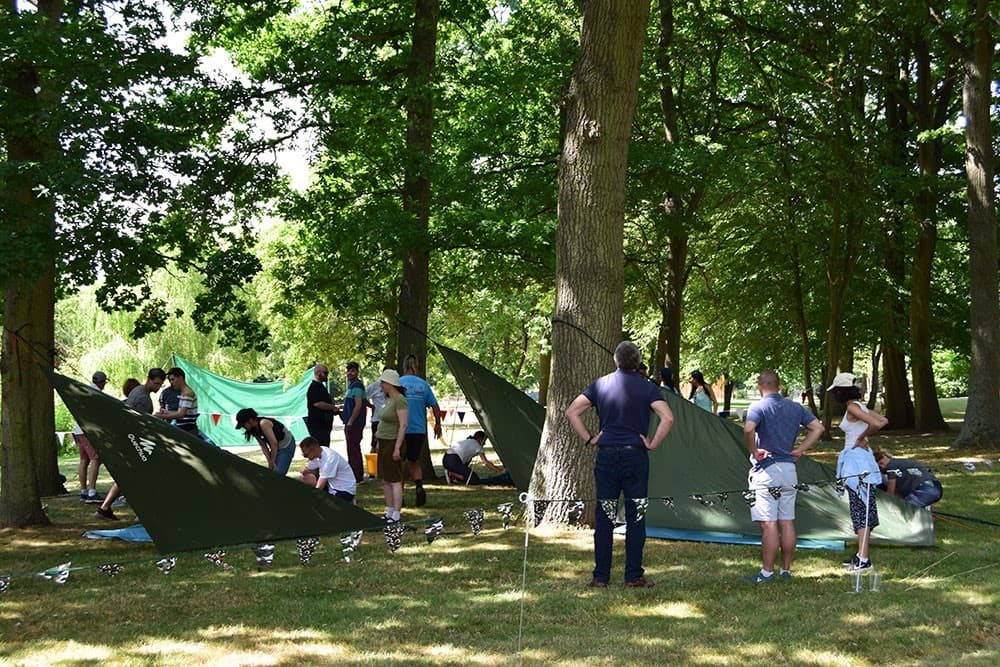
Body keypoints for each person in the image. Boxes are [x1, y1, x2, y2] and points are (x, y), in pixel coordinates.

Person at [566, 341, 675, 589]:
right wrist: (653, 443)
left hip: (606, 457)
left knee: (605, 516)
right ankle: (633, 576)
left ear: (616, 360)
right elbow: (667, 418)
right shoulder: (647, 387)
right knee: (636, 515)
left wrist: (589, 439)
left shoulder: (600, 385)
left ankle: (600, 577)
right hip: (635, 457)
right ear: (637, 363)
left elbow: (572, 411)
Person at [741, 371, 825, 583]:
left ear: (760, 386)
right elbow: (818, 428)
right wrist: (800, 450)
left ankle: (767, 573)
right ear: (779, 386)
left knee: (769, 524)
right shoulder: (795, 407)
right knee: (787, 521)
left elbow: (749, 429)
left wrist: (754, 451)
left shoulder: (758, 406)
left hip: (766, 470)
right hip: (789, 469)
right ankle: (785, 570)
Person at [829, 372, 888, 571]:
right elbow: (884, 420)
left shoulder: (853, 407)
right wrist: (864, 436)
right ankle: (861, 555)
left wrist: (861, 438)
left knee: (860, 510)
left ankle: (863, 559)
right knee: (861, 508)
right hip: (860, 460)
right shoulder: (860, 406)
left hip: (856, 462)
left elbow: (876, 424)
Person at [96, 368, 166, 520]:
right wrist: (156, 420)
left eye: (160, 385)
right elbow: (138, 423)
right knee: (141, 476)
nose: (158, 387)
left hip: (127, 438)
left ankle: (104, 508)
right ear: (149, 379)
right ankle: (143, 513)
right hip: (133, 441)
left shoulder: (137, 390)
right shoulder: (143, 398)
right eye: (156, 384)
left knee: (126, 477)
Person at [399, 354, 442, 507]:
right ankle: (419, 487)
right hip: (418, 429)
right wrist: (438, 424)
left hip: (401, 428)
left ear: (403, 366)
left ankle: (400, 495)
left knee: (400, 462)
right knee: (414, 461)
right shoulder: (423, 385)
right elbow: (435, 406)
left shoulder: (398, 383)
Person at [374, 368, 409, 522]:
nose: (381, 385)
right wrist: (377, 441)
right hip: (383, 441)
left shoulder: (400, 400)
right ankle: (389, 510)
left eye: (383, 382)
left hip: (393, 441)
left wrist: (397, 448)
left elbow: (403, 425)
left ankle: (396, 513)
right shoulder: (388, 399)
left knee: (395, 479)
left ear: (390, 384)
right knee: (385, 479)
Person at [73, 371, 108, 503]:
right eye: (104, 383)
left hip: (78, 430)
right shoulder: (96, 394)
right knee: (96, 459)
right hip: (88, 431)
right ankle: (92, 492)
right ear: (101, 382)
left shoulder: (84, 391)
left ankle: (83, 491)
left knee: (84, 460)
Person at [873, 449, 943, 508]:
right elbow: (898, 494)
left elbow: (890, 494)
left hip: (923, 489)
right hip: (936, 487)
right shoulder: (904, 462)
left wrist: (884, 505)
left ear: (880, 464)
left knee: (904, 510)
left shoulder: (891, 467)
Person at [236, 408, 296, 474]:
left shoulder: (264, 423)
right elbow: (263, 446)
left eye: (243, 424)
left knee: (279, 473)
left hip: (286, 445)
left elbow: (274, 444)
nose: (243, 427)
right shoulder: (253, 429)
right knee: (272, 471)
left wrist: (272, 462)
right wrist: (270, 462)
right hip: (276, 447)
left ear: (250, 420)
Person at [298, 436, 357, 502]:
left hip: (345, 490)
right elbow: (307, 468)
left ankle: (349, 501)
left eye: (306, 455)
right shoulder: (318, 453)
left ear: (314, 449)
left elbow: (319, 487)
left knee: (326, 505)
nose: (306, 457)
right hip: (332, 486)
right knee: (305, 479)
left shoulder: (330, 459)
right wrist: (304, 471)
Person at [442, 431, 512, 486]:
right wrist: (500, 471)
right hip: (453, 460)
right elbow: (486, 462)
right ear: (480, 439)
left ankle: (454, 475)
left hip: (446, 459)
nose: (484, 444)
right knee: (474, 480)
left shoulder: (468, 441)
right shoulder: (477, 446)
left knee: (467, 473)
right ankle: (452, 473)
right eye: (484, 441)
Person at [341, 361, 367, 482]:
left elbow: (358, 404)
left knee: (353, 449)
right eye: (348, 371)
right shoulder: (351, 386)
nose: (350, 373)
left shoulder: (357, 385)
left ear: (357, 372)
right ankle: (355, 475)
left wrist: (351, 421)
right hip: (351, 422)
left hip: (354, 424)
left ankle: (357, 476)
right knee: (352, 449)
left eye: (352, 371)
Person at [156, 367, 200, 434]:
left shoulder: (188, 393)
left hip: (189, 430)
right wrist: (166, 412)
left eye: (173, 379)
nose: (171, 382)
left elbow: (181, 414)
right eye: (170, 380)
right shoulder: (184, 392)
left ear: (180, 378)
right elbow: (180, 413)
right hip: (184, 429)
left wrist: (161, 416)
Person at [306, 364, 337, 447]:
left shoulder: (320, 387)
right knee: (321, 447)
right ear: (318, 373)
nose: (327, 375)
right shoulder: (314, 387)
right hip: (318, 425)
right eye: (325, 373)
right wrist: (332, 407)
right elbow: (317, 403)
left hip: (323, 424)